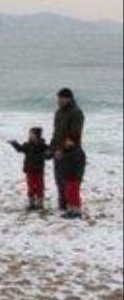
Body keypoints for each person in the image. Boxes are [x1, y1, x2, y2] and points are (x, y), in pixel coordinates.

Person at [50, 87, 85, 219]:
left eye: (61, 98)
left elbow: (74, 135)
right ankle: (64, 204)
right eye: (58, 98)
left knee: (70, 181)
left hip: (70, 151)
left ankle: (73, 207)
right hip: (58, 149)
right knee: (59, 178)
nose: (59, 101)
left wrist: (62, 149)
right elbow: (56, 133)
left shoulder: (76, 112)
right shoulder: (58, 112)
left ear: (69, 98)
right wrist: (52, 148)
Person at [8, 127, 49, 211]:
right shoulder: (27, 145)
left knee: (40, 187)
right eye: (30, 134)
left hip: (38, 170)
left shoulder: (42, 145)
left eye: (32, 134)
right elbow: (20, 149)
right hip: (29, 170)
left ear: (37, 135)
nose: (30, 136)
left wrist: (49, 153)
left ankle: (40, 203)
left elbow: (48, 154)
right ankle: (31, 203)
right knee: (30, 187)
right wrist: (14, 144)